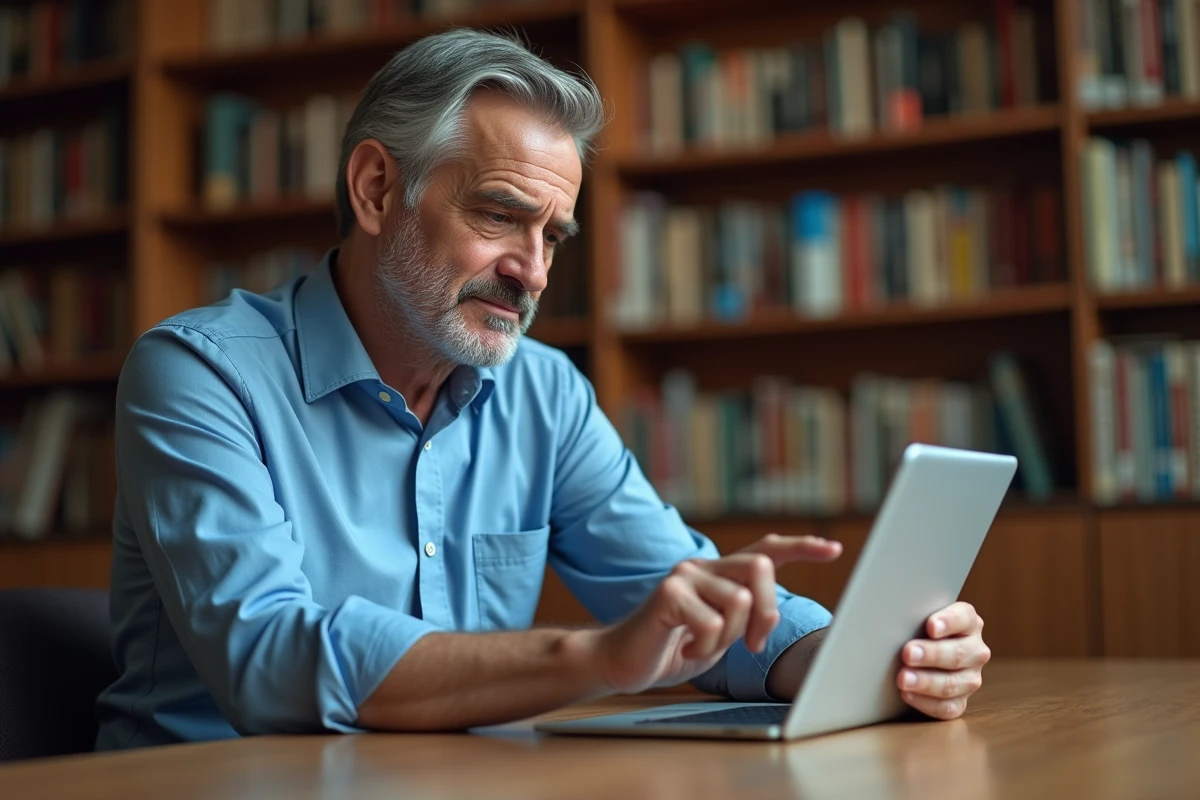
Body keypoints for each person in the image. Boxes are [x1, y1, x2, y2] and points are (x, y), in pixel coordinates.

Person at [95, 29, 990, 750]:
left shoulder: (542, 392)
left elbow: (679, 589)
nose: (532, 272)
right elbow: (270, 664)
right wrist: (594, 657)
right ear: (377, 189)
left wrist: (864, 658)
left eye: (553, 236)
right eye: (498, 215)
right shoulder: (198, 374)